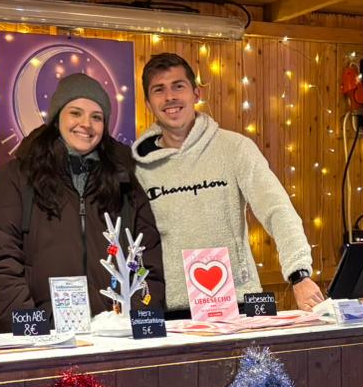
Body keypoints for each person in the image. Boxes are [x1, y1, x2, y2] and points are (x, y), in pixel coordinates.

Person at [132, 52, 324, 313]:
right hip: (170, 312)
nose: (170, 97)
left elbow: (277, 209)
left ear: (196, 93)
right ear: (148, 102)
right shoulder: (139, 168)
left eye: (178, 86)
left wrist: (299, 274)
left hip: (239, 303)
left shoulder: (236, 149)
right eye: (159, 90)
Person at [0, 73, 164, 327]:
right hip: (46, 338)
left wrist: (133, 321)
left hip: (115, 335)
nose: (86, 124)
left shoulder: (124, 181)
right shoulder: (16, 178)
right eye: (75, 113)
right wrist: (36, 325)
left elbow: (146, 257)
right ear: (57, 117)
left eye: (96, 117)